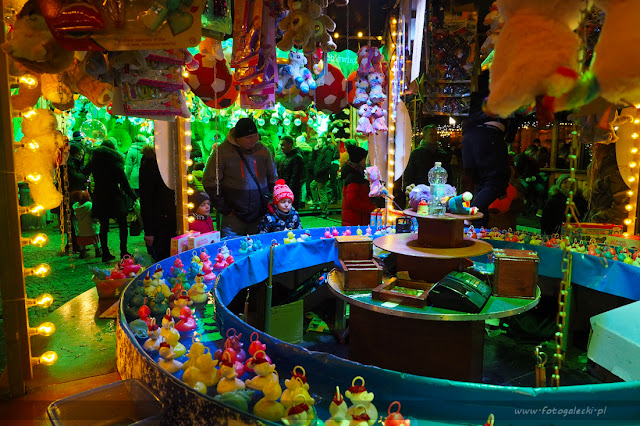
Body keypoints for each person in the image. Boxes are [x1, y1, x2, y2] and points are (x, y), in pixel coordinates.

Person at [203, 118, 277, 238]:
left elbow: (273, 178)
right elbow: (210, 182)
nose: (254, 140)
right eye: (249, 137)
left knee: (258, 244)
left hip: (259, 212)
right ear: (237, 137)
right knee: (231, 246)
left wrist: (269, 201)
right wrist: (224, 208)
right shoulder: (222, 152)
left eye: (255, 136)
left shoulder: (263, 150)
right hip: (233, 215)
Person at [461, 72, 511, 226]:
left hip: (470, 137)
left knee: (483, 183)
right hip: (488, 135)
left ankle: (477, 225)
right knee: (495, 181)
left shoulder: (476, 87)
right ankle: (470, 217)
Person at [84, 139, 137, 262]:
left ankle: (105, 252)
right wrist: (134, 197)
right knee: (122, 225)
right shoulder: (116, 162)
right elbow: (124, 184)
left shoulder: (94, 161)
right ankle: (123, 251)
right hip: (114, 196)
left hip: (100, 196)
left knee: (104, 226)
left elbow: (84, 172)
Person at [139, 145, 176, 262]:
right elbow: (146, 199)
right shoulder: (150, 164)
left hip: (171, 219)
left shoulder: (172, 162)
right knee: (160, 259)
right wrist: (149, 231)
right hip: (158, 221)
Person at [403, 125, 452, 191]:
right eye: (431, 135)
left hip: (438, 191)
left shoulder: (443, 154)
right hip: (420, 191)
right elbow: (409, 174)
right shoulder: (416, 154)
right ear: (424, 137)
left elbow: (449, 175)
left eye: (435, 135)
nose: (434, 137)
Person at [341, 144, 376, 226]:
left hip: (357, 219)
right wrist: (371, 207)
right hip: (355, 220)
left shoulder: (357, 174)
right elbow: (352, 201)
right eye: (365, 159)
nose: (367, 162)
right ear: (360, 160)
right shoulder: (354, 177)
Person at [310, 137, 337, 218]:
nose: (318, 143)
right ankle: (316, 204)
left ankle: (325, 211)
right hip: (318, 174)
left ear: (324, 142)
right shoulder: (320, 151)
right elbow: (314, 159)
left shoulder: (327, 152)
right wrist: (314, 151)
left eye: (319, 141)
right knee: (312, 186)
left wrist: (319, 171)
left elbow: (327, 164)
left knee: (322, 192)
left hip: (322, 175)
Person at [71, 190, 101, 259]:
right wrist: (98, 222)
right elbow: (94, 216)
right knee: (95, 240)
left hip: (81, 228)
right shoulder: (90, 205)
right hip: (91, 226)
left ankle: (82, 253)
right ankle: (98, 251)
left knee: (82, 241)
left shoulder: (76, 207)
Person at [277, 135, 305, 210]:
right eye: (280, 145)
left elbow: (295, 177)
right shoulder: (283, 157)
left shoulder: (297, 158)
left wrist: (289, 191)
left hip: (292, 192)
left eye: (283, 145)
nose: (281, 147)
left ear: (290, 145)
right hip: (283, 190)